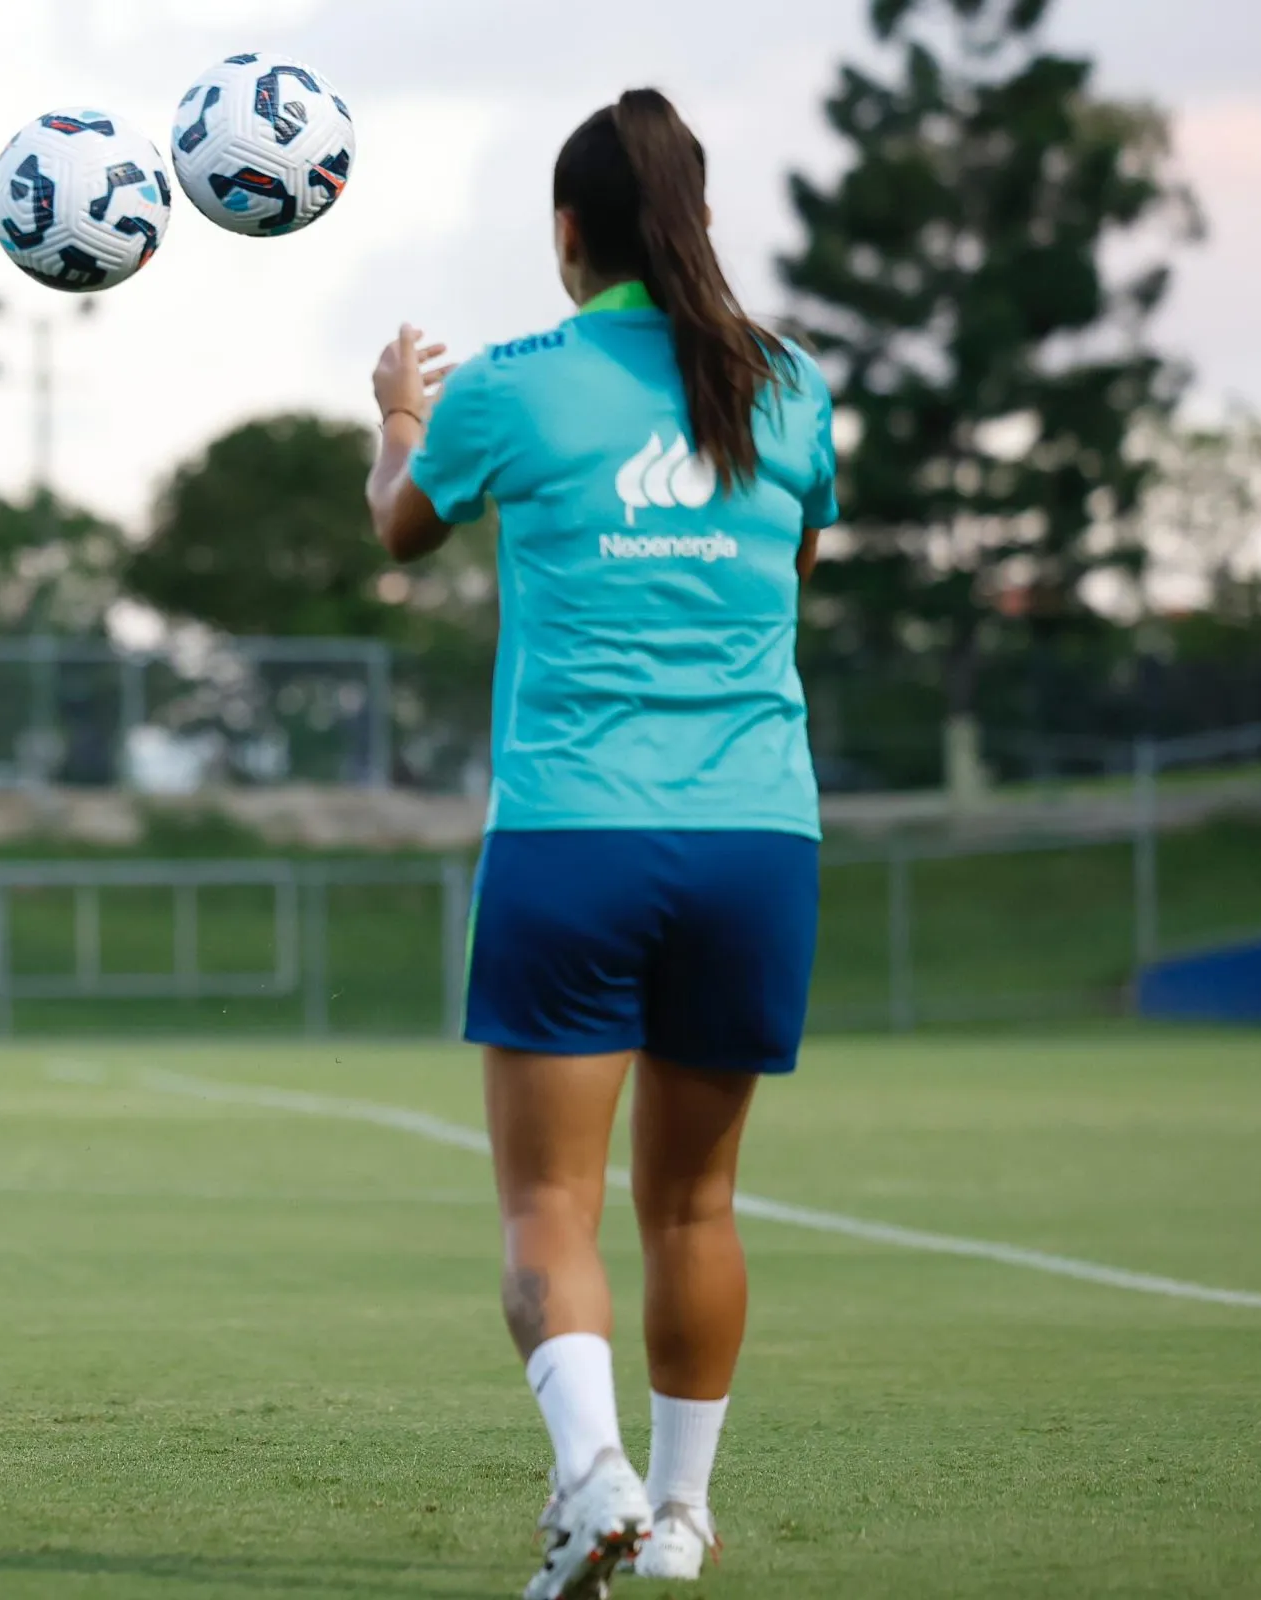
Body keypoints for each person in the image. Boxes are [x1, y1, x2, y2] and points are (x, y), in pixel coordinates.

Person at [365, 89, 835, 1599]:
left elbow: (400, 529)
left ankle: (595, 1478)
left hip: (577, 839)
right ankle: (684, 1520)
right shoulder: (794, 392)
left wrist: (397, 421)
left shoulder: (514, 386)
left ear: (568, 235)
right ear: (695, 223)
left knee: (545, 1211)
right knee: (694, 1203)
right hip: (758, 844)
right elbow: (797, 556)